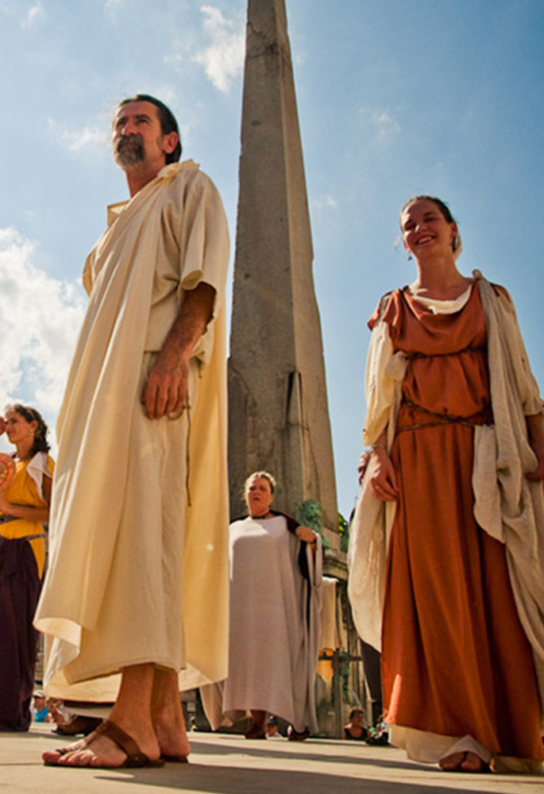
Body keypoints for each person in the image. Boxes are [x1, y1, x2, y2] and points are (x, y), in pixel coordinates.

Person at [35, 94, 230, 769]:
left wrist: (174, 357)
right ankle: (166, 718)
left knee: (144, 540)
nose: (126, 130)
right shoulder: (110, 234)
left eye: (140, 121)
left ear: (169, 141)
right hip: (107, 400)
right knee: (137, 536)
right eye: (119, 122)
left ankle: (127, 725)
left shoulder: (188, 189)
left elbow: (202, 287)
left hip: (157, 380)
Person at [348, 196, 544, 774]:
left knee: (498, 590)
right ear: (403, 242)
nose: (419, 228)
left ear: (454, 230)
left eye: (429, 218)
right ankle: (460, 731)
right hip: (419, 462)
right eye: (409, 224)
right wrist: (377, 456)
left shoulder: (492, 300)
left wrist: (539, 439)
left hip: (486, 453)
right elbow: (379, 398)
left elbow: (522, 382)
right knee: (436, 596)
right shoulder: (394, 308)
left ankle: (510, 729)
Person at [202, 471, 322, 741]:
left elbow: (306, 553)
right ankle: (254, 720)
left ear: (272, 496)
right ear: (245, 495)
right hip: (240, 608)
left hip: (275, 608)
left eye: (262, 488)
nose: (256, 492)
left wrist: (312, 541)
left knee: (272, 662)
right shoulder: (233, 529)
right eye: (252, 488)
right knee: (247, 663)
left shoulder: (283, 526)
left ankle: (282, 720)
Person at [0, 404, 54, 731]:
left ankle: (12, 709)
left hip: (25, 547)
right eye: (6, 422)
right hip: (1, 544)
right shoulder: (7, 464)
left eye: (14, 421)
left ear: (33, 425)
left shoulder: (42, 464)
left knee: (15, 630)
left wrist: (10, 508)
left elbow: (53, 511)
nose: (8, 426)